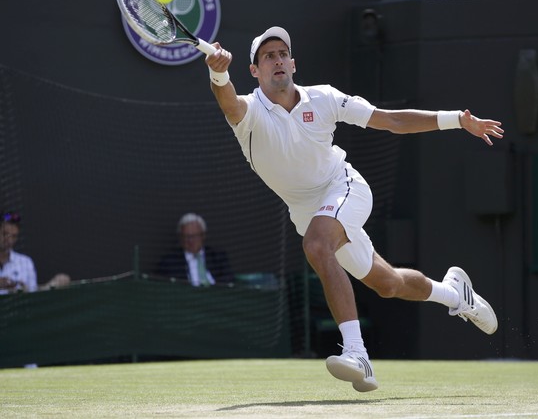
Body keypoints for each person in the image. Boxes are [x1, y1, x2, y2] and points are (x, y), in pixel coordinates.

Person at [204, 26, 504, 392]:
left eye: (283, 53)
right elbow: (228, 102)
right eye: (268, 56)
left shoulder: (325, 99)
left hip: (344, 188)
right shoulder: (249, 113)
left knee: (317, 245)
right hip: (307, 210)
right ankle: (456, 294)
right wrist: (218, 71)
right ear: (255, 71)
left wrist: (456, 118)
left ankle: (357, 353)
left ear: (294, 63)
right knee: (388, 284)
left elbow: (390, 119)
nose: (277, 60)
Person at [0, 211, 71, 295]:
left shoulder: (25, 262)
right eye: (5, 234)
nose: (9, 240)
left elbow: (33, 296)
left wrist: (24, 292)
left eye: (14, 236)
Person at [157, 213, 234, 286]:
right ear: (180, 238)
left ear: (203, 236)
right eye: (186, 236)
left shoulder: (217, 257)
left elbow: (229, 280)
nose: (190, 241)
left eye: (194, 236)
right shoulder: (170, 262)